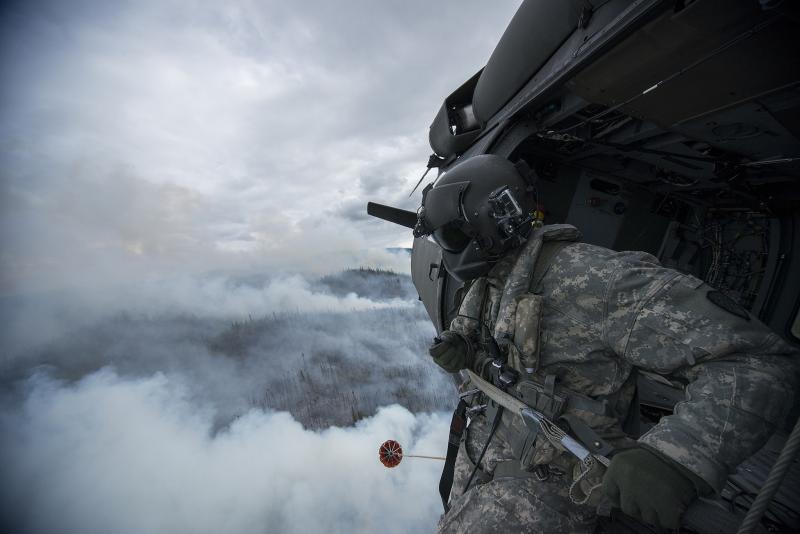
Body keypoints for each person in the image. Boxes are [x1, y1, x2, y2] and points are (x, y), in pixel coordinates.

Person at [414, 154, 799, 533]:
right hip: (485, 447)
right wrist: (460, 344)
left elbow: (756, 359)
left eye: (451, 235)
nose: (447, 249)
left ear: (493, 221)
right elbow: (471, 328)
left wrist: (679, 455)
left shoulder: (597, 279)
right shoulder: (487, 282)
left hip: (554, 480)